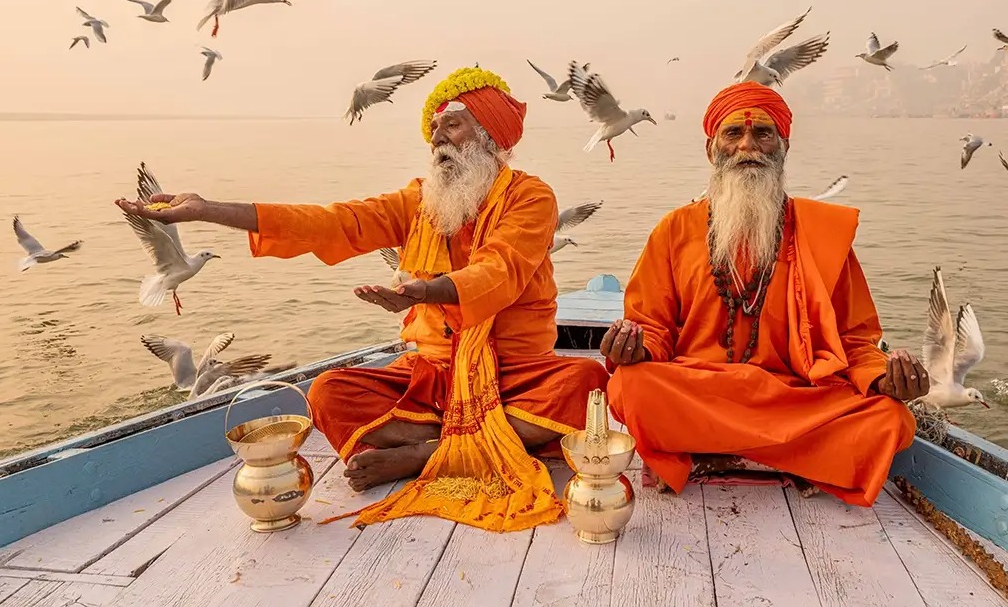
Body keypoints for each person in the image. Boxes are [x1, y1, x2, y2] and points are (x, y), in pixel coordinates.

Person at [117, 66, 607, 531]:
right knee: (328, 392)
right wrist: (208, 211)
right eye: (433, 129)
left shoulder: (531, 197)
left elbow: (502, 269)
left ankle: (426, 455)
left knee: (587, 384)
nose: (437, 139)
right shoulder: (419, 201)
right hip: (433, 374)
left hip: (513, 371)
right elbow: (333, 222)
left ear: (490, 135)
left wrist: (430, 292)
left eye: (451, 126)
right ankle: (471, 444)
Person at [600, 82, 926, 507]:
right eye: (733, 134)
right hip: (700, 389)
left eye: (762, 134)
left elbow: (854, 339)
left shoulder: (819, 233)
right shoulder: (675, 230)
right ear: (711, 149)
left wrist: (883, 377)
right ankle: (792, 457)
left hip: (791, 397)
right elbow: (652, 325)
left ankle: (715, 450)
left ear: (783, 147)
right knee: (629, 387)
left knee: (892, 420)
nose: (747, 146)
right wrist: (636, 348)